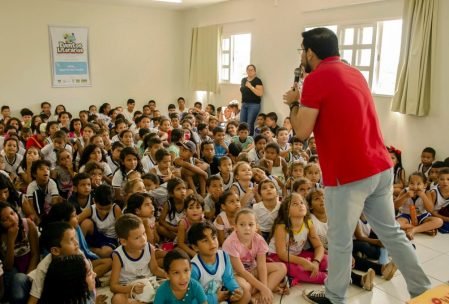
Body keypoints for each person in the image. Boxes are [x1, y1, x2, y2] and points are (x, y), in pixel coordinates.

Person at [283, 27, 431, 303]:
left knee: (340, 242)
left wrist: (294, 103)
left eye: (302, 50)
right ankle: (422, 289)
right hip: (380, 166)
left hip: (349, 174)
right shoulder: (353, 72)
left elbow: (301, 132)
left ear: (310, 52)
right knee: (391, 232)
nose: (301, 56)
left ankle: (335, 298)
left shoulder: (316, 79)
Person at [188, 221, 247, 304]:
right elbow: (193, 299)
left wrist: (236, 289)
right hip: (206, 301)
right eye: (205, 240)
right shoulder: (193, 269)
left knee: (245, 293)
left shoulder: (223, 256)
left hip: (221, 296)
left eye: (213, 237)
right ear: (195, 247)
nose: (212, 242)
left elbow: (228, 278)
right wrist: (215, 298)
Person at [239, 64, 264, 135]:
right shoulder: (243, 80)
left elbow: (260, 93)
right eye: (248, 70)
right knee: (242, 123)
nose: (250, 71)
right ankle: (241, 139)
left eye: (252, 70)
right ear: (246, 71)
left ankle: (249, 141)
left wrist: (250, 87)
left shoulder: (257, 80)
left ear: (255, 71)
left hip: (254, 105)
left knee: (249, 123)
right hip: (244, 104)